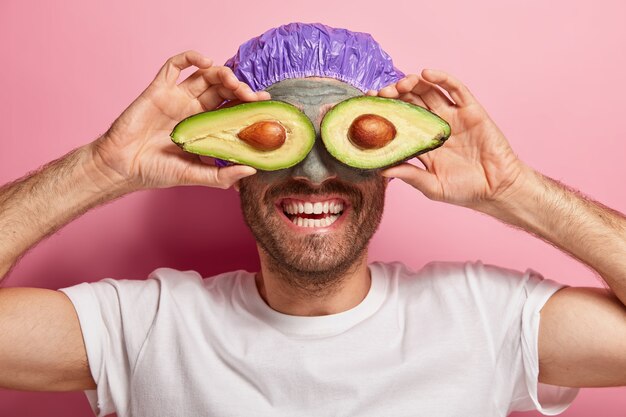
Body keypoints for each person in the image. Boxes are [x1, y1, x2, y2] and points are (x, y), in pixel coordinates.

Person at [0, 22, 624, 417]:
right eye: (278, 140)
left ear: (389, 159)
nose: (317, 175)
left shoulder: (483, 318)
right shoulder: (147, 325)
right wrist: (104, 167)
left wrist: (512, 189)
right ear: (232, 157)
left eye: (348, 139)